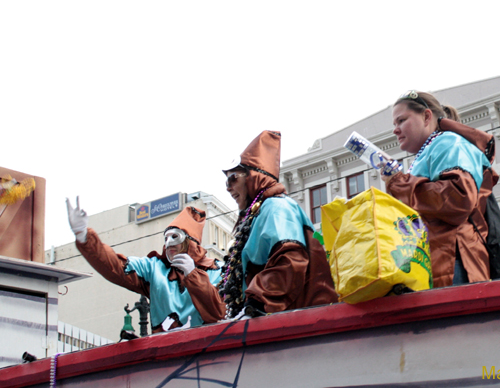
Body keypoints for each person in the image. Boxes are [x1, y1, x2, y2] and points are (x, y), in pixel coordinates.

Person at [382, 91, 498, 288]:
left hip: (453, 264)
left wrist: (399, 184)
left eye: (401, 120)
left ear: (427, 116)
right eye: (394, 124)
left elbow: (458, 198)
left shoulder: (447, 143)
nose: (395, 130)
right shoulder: (432, 150)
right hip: (441, 264)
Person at [217, 130, 337, 319]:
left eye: (233, 178)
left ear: (254, 177)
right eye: (226, 180)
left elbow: (290, 259)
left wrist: (256, 302)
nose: (228, 187)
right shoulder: (257, 214)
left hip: (300, 323)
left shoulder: (276, 207)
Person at [67, 198, 226, 332]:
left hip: (207, 356)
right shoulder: (155, 269)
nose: (169, 242)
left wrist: (194, 276)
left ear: (190, 241)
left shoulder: (218, 270)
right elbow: (116, 266)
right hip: (166, 356)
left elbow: (218, 313)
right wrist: (84, 237)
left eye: (175, 236)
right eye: (166, 237)